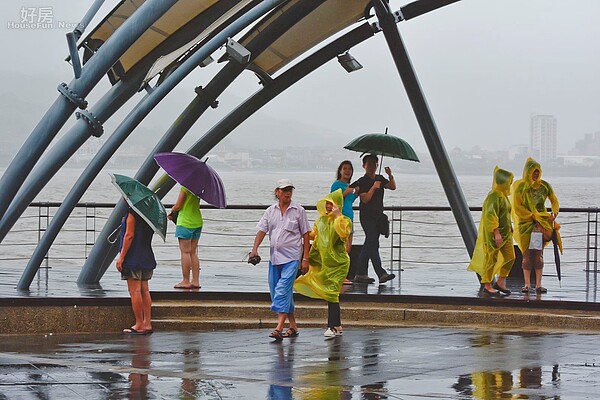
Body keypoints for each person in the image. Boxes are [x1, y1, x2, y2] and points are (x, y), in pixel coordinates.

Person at [249, 179, 311, 340]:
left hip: (292, 258)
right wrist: (254, 249)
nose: (287, 193)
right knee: (278, 290)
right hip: (275, 258)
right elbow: (262, 230)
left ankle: (279, 327)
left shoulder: (299, 211)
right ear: (277, 192)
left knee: (282, 290)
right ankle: (293, 326)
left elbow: (306, 235)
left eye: (290, 190)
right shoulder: (271, 211)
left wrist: (305, 258)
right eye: (284, 190)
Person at [294, 189, 352, 339]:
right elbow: (313, 234)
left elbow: (343, 233)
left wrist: (338, 216)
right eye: (327, 203)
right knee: (330, 293)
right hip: (323, 262)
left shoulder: (345, 220)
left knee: (332, 293)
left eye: (331, 203)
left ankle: (331, 326)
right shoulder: (320, 221)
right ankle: (337, 326)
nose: (328, 206)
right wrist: (298, 230)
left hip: (338, 264)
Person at [512, 157, 561, 294]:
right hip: (525, 224)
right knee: (527, 255)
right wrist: (532, 215)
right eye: (533, 171)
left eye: (538, 171)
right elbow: (517, 207)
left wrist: (554, 213)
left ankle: (539, 284)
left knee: (538, 254)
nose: (535, 174)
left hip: (541, 225)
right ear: (527, 172)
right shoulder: (521, 187)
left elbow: (554, 200)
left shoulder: (544, 186)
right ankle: (527, 284)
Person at [467, 166, 515, 296]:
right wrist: (496, 232)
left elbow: (505, 214)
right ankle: (487, 284)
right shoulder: (493, 196)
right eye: (509, 181)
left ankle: (500, 281)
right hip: (495, 234)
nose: (510, 183)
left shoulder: (504, 196)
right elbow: (490, 215)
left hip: (506, 234)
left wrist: (509, 225)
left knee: (511, 257)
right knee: (491, 258)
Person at [352, 154, 396, 284]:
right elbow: (364, 199)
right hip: (366, 217)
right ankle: (381, 273)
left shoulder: (379, 178)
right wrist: (373, 187)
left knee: (370, 244)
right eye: (369, 164)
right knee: (372, 242)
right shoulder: (362, 181)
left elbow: (392, 187)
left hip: (378, 216)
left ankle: (360, 273)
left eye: (374, 164)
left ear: (377, 165)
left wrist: (390, 175)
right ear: (364, 166)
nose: (372, 167)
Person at [116, 207, 156, 335]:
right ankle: (147, 323)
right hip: (146, 256)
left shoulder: (133, 213)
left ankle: (139, 324)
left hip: (133, 257)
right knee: (145, 290)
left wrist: (121, 257)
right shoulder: (150, 212)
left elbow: (129, 235)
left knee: (135, 291)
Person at [330, 160, 360, 285]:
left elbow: (349, 201)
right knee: (340, 249)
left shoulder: (350, 186)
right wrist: (345, 193)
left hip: (350, 218)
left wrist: (356, 193)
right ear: (340, 171)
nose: (347, 171)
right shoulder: (336, 184)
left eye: (350, 169)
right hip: (339, 219)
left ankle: (343, 275)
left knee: (348, 248)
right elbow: (333, 200)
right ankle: (338, 276)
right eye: (345, 168)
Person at [169, 186, 203, 289]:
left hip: (185, 222)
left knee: (185, 252)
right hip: (197, 221)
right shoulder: (199, 187)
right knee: (193, 252)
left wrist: (172, 210)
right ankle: (196, 280)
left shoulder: (185, 187)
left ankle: (186, 280)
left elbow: (179, 205)